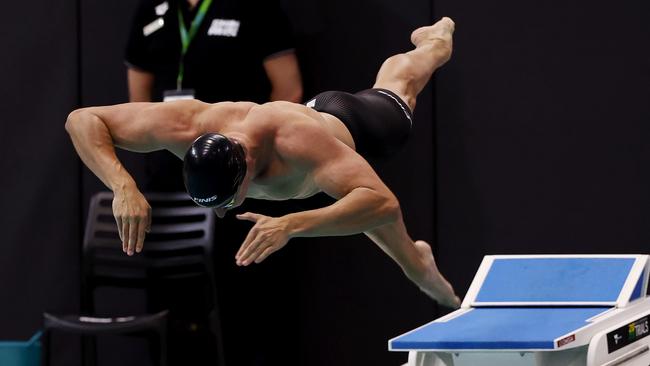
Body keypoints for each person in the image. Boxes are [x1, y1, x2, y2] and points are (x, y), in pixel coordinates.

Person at [66, 17, 461, 307]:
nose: (226, 211)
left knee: (399, 89)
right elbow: (83, 120)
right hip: (312, 124)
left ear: (247, 170)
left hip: (354, 126)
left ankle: (435, 41)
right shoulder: (187, 124)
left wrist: (293, 224)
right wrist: (122, 185)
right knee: (396, 246)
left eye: (229, 199)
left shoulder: (294, 142)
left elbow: (382, 202)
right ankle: (421, 267)